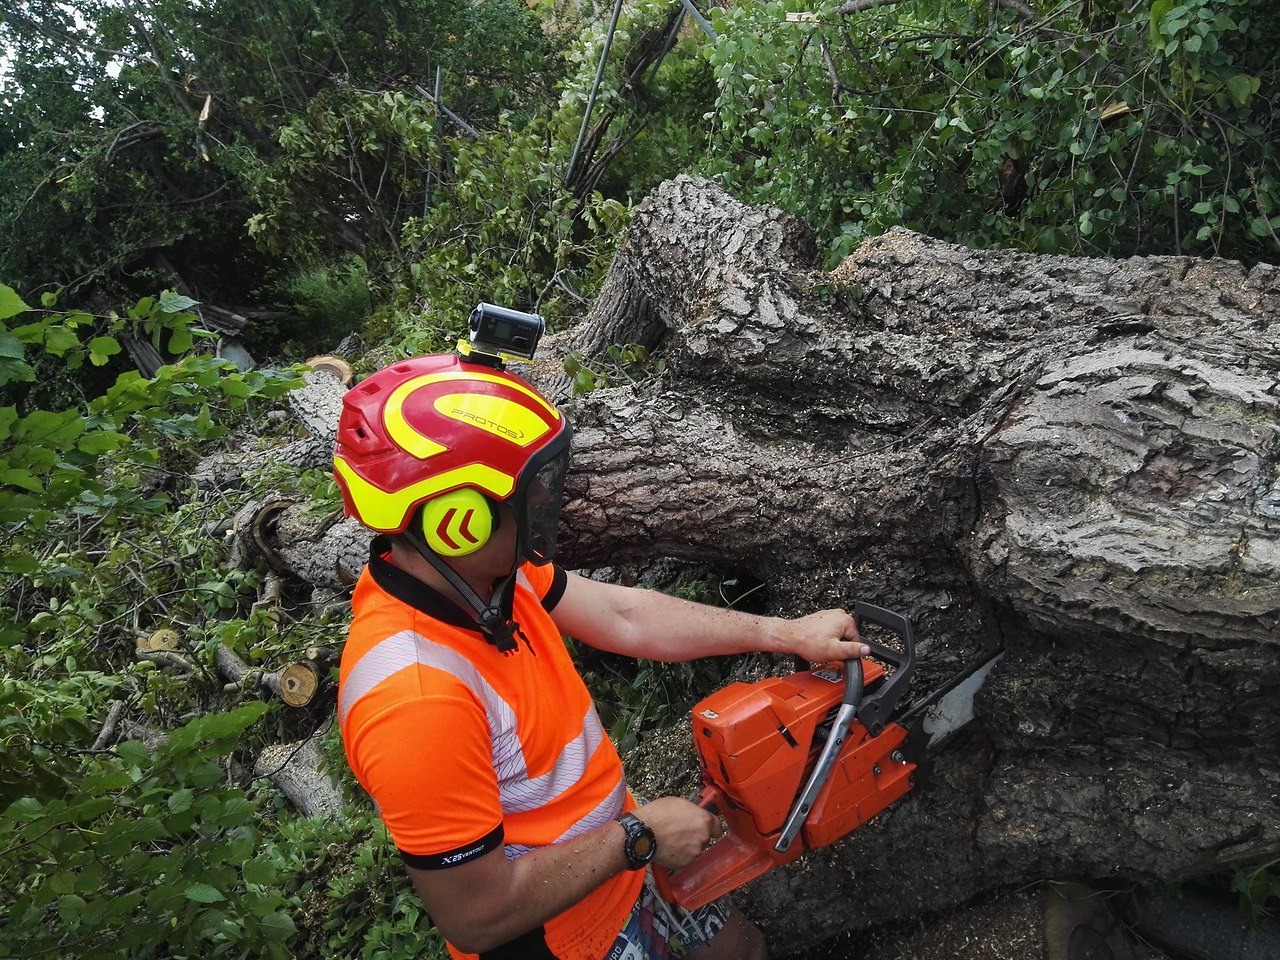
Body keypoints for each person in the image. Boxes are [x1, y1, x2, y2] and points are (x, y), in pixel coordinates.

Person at [334, 351, 869, 960]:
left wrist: (785, 633)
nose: (547, 506)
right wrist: (637, 838)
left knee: (741, 951)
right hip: (564, 937)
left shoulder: (490, 581)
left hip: (622, 870)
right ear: (459, 522)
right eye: (529, 493)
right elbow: (476, 917)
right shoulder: (416, 700)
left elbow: (627, 616)